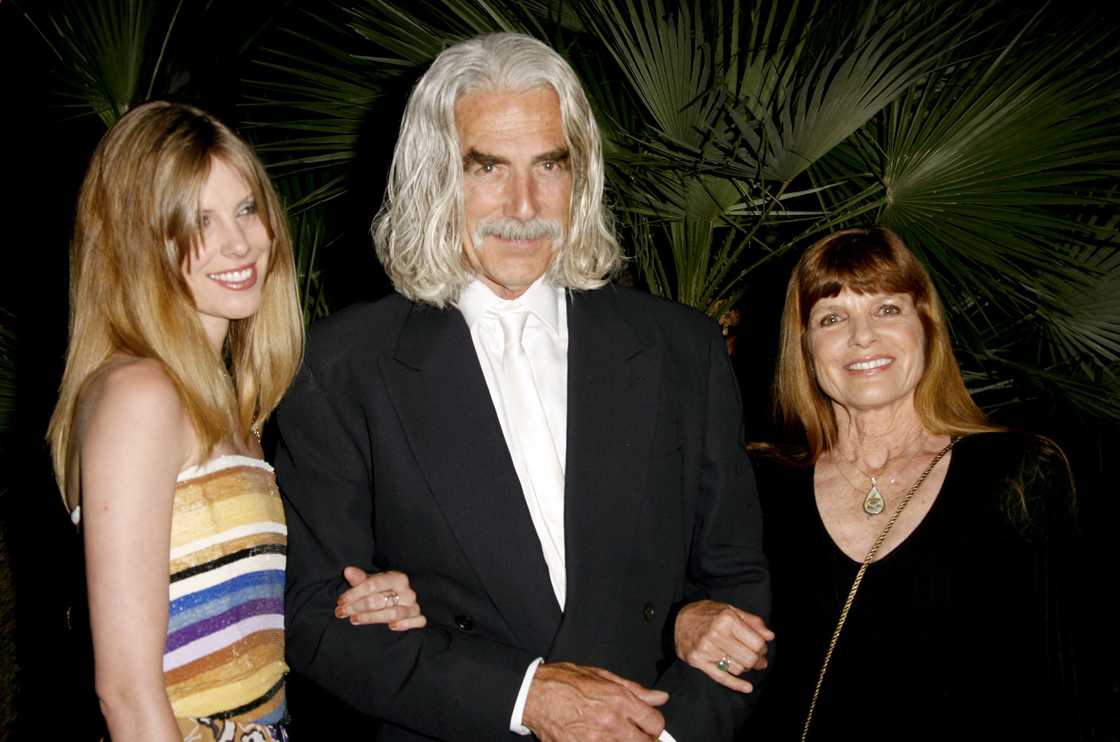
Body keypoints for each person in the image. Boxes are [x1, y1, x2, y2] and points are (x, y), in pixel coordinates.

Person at [276, 32, 773, 741]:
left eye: (549, 164)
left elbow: (736, 584)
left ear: (583, 175)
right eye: (487, 168)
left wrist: (666, 733)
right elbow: (314, 615)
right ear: (434, 177)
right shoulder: (339, 365)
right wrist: (525, 696)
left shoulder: (680, 349)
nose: (524, 202)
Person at [47, 101, 423, 742]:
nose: (240, 242)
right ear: (137, 243)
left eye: (246, 209)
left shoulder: (224, 411)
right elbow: (128, 696)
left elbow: (226, 634)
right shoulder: (142, 397)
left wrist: (351, 605)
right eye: (197, 222)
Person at [744, 227, 1079, 740]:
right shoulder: (760, 484)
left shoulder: (1017, 471)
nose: (862, 336)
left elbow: (1064, 679)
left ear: (927, 326)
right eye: (832, 318)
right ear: (807, 350)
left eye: (886, 309)